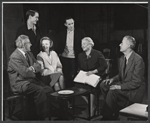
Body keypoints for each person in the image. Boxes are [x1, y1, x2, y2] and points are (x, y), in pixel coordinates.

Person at [7, 35, 53, 120]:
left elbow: (39, 65)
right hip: (20, 83)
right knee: (40, 90)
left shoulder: (29, 53)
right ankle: (41, 118)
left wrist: (31, 68)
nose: (31, 44)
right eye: (29, 43)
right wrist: (32, 69)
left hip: (30, 81)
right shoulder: (15, 57)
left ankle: (36, 113)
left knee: (49, 89)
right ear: (23, 45)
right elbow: (25, 73)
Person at [100, 35, 146, 120]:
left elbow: (136, 82)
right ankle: (113, 110)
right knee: (103, 85)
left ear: (128, 45)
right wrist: (112, 79)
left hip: (134, 90)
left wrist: (119, 86)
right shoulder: (122, 58)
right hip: (126, 85)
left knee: (112, 91)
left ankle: (107, 117)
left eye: (122, 43)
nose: (119, 45)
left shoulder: (138, 60)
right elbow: (120, 75)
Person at [77, 37, 107, 117]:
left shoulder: (97, 54)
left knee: (91, 88)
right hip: (85, 76)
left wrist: (93, 71)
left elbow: (104, 66)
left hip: (96, 75)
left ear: (90, 44)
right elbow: (80, 68)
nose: (82, 46)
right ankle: (92, 105)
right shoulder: (80, 55)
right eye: (81, 44)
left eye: (84, 44)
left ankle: (92, 109)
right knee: (78, 87)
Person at [58, 17, 86, 88]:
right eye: (69, 24)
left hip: (75, 56)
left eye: (72, 23)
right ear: (65, 24)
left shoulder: (80, 32)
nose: (71, 25)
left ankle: (75, 91)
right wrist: (60, 53)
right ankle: (67, 91)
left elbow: (84, 43)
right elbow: (59, 44)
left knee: (74, 74)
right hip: (65, 57)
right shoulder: (62, 33)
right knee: (66, 75)